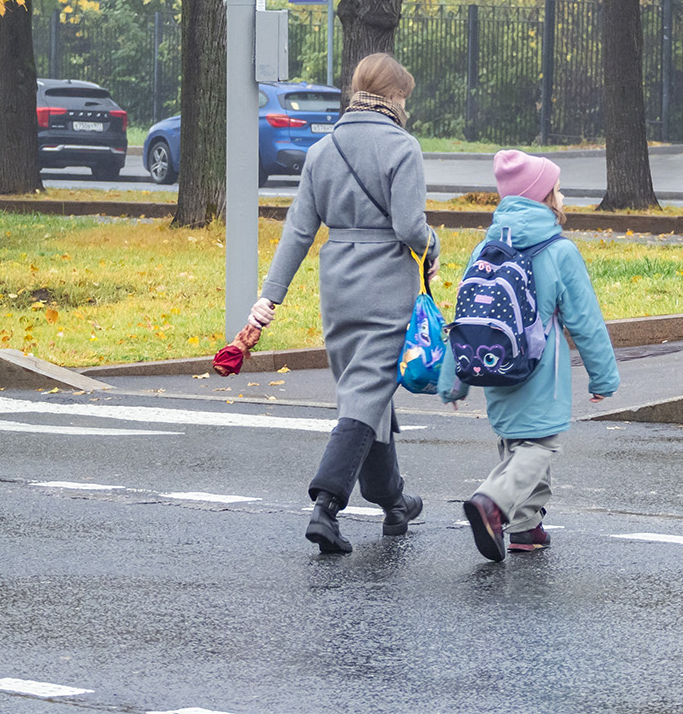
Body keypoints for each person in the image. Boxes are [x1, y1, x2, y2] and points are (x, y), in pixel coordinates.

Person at [248, 52, 439, 554]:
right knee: (366, 393)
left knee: (366, 389)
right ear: (394, 97)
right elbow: (408, 227)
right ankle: (326, 505)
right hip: (385, 284)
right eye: (405, 98)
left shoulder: (322, 150)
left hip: (337, 284)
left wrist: (269, 298)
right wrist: (433, 246)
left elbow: (297, 232)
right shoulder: (403, 147)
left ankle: (394, 500)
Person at [439, 150, 619, 562]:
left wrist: (454, 379)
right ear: (544, 197)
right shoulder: (559, 251)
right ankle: (493, 502)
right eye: (556, 187)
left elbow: (466, 315)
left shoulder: (487, 247)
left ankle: (524, 528)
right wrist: (603, 378)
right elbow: (586, 321)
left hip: (493, 362)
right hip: (542, 371)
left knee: (517, 441)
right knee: (540, 444)